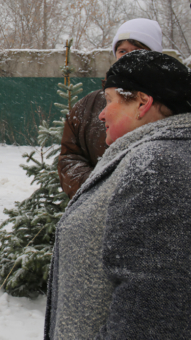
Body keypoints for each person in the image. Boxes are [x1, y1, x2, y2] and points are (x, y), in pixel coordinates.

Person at [44, 50, 191, 339]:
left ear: (142, 102)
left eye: (109, 100)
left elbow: (153, 309)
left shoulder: (158, 163)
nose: (101, 113)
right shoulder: (152, 155)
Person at [57, 18, 163, 198]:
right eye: (122, 51)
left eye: (138, 50)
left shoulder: (169, 103)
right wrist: (98, 190)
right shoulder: (89, 105)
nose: (129, 56)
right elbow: (70, 158)